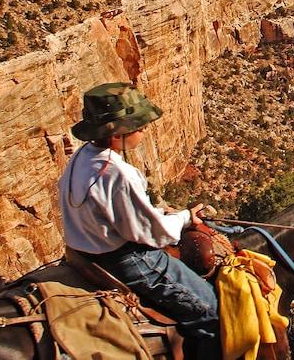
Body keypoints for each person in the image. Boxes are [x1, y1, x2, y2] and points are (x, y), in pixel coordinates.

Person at [59, 82, 220, 358]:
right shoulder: (118, 173)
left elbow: (121, 214)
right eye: (138, 125)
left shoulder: (81, 157)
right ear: (116, 133)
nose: (144, 130)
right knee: (211, 311)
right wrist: (184, 217)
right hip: (127, 261)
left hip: (84, 255)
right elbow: (152, 234)